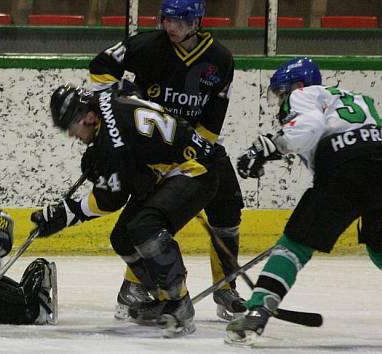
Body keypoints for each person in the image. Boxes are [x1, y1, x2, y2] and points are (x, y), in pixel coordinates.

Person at [88, 0, 245, 321]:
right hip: (151, 148)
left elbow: (212, 122)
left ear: (197, 21)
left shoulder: (221, 59)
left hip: (196, 146)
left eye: (180, 21)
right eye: (167, 20)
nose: (171, 27)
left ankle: (226, 286)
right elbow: (100, 66)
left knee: (227, 210)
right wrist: (122, 93)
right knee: (149, 218)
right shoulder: (146, 45)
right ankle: (135, 284)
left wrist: (189, 152)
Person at [31, 84, 219, 337]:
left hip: (197, 169)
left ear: (87, 117)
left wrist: (67, 213)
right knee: (122, 238)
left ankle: (178, 303)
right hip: (166, 170)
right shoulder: (106, 101)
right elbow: (133, 96)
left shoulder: (111, 141)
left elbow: (111, 199)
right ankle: (163, 296)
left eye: (71, 127)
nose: (71, 135)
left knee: (145, 227)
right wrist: (103, 157)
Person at [225, 57, 382, 345]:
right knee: (379, 246)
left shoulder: (303, 94)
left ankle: (258, 308)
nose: (282, 100)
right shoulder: (359, 99)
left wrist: (269, 147)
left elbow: (308, 127)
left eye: (282, 92)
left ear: (297, 85)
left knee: (295, 245)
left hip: (345, 167)